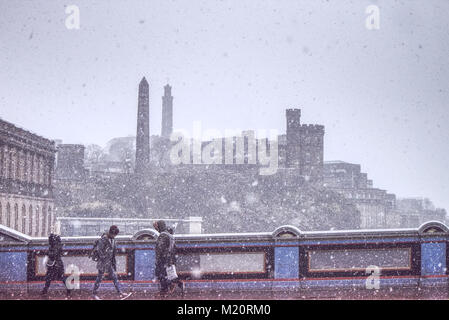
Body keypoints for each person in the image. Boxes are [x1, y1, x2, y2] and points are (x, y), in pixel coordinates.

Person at [92, 225, 131, 300]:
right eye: (114, 234)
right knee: (100, 277)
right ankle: (94, 293)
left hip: (108, 262)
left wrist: (112, 262)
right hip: (103, 262)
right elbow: (100, 251)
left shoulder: (112, 239)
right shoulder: (104, 239)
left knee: (112, 277)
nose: (115, 236)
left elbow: (113, 252)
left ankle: (119, 291)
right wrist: (105, 259)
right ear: (111, 233)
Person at [41, 234, 72, 298]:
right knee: (60, 277)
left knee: (49, 277)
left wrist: (47, 253)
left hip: (55, 264)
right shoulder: (57, 245)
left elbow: (53, 254)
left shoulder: (55, 246)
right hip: (57, 264)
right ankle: (68, 289)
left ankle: (45, 290)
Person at [153, 220, 173, 297]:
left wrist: (157, 259)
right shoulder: (169, 235)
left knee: (160, 274)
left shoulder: (162, 235)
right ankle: (167, 288)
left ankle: (165, 289)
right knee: (165, 274)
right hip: (168, 258)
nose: (156, 228)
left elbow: (159, 248)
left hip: (162, 258)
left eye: (156, 226)